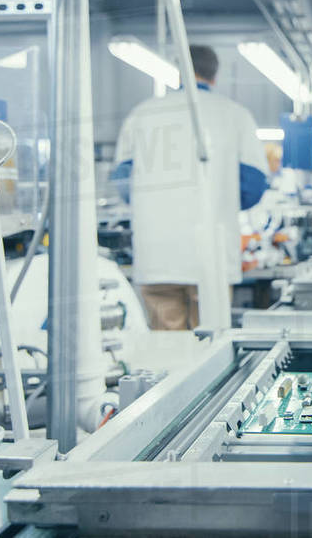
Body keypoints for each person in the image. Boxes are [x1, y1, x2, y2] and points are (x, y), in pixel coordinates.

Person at [113, 45, 269, 330]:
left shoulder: (142, 114)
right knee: (211, 349)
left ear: (177, 72)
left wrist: (157, 203)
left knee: (166, 351)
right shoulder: (234, 115)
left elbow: (124, 184)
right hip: (212, 252)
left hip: (156, 253)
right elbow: (254, 186)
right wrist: (217, 198)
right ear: (214, 75)